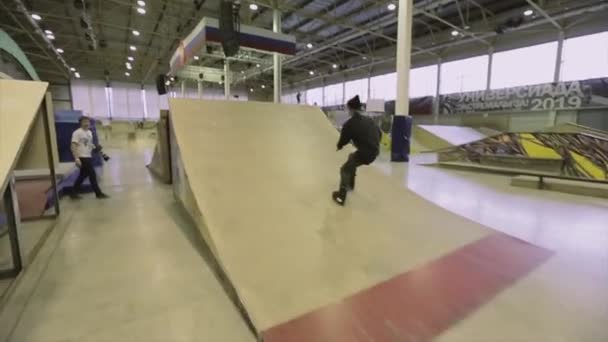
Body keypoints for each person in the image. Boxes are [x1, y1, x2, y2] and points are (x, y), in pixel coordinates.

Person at [332, 95, 381, 206]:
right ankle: (350, 185)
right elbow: (379, 133)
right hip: (375, 151)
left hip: (365, 153)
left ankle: (341, 196)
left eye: (348, 109)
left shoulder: (349, 124)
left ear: (351, 109)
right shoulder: (369, 120)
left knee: (344, 169)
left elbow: (343, 139)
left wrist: (339, 146)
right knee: (351, 157)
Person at [70, 116, 109, 199]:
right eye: (84, 121)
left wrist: (96, 148)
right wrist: (76, 158)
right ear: (80, 123)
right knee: (92, 175)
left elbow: (88, 144)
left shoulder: (89, 133)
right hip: (82, 157)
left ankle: (73, 193)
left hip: (88, 156)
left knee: (83, 175)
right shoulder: (77, 133)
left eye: (88, 121)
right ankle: (98, 194)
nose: (86, 123)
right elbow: (73, 146)